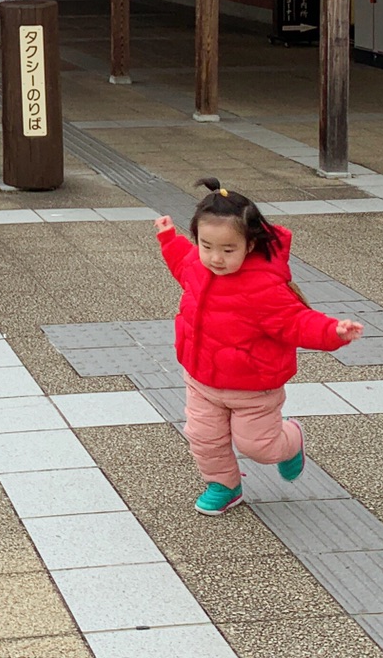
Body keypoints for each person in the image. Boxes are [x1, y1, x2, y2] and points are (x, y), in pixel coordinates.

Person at [154, 179, 364, 515]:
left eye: (227, 249)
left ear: (250, 245)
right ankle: (224, 484)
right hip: (202, 379)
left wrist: (333, 331)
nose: (215, 258)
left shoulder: (264, 287)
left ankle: (292, 439)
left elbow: (297, 322)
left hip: (254, 388)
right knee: (203, 437)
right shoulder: (198, 264)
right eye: (206, 246)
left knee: (259, 446)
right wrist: (168, 238)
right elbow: (181, 261)